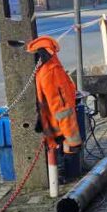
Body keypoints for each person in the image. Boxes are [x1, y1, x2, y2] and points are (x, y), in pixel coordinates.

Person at [26, 36, 83, 180]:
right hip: (58, 126)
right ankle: (67, 175)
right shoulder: (52, 69)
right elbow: (61, 105)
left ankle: (63, 175)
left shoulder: (42, 67)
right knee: (65, 148)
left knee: (59, 149)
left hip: (50, 123)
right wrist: (72, 136)